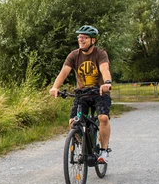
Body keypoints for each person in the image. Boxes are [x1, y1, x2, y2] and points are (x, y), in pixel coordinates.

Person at [48, 25, 113, 164]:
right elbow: (63, 72)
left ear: (93, 40)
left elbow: (104, 69)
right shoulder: (74, 55)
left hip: (100, 92)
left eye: (84, 37)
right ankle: (83, 144)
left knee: (103, 118)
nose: (81, 39)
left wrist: (107, 83)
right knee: (73, 122)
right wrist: (55, 87)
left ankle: (103, 151)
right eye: (79, 37)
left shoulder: (100, 54)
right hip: (82, 94)